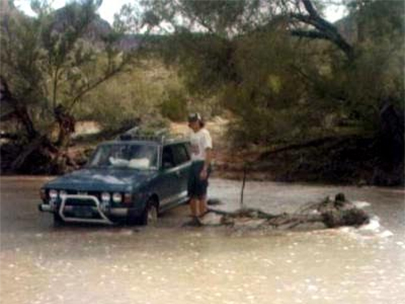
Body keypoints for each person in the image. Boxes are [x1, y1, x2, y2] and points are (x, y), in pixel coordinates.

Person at [187, 113, 213, 225]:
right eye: (192, 122)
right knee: (192, 192)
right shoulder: (191, 134)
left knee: (201, 192)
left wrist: (205, 169)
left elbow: (208, 152)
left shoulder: (205, 134)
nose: (194, 124)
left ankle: (203, 217)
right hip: (193, 164)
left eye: (195, 121)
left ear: (199, 121)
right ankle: (194, 216)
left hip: (202, 163)